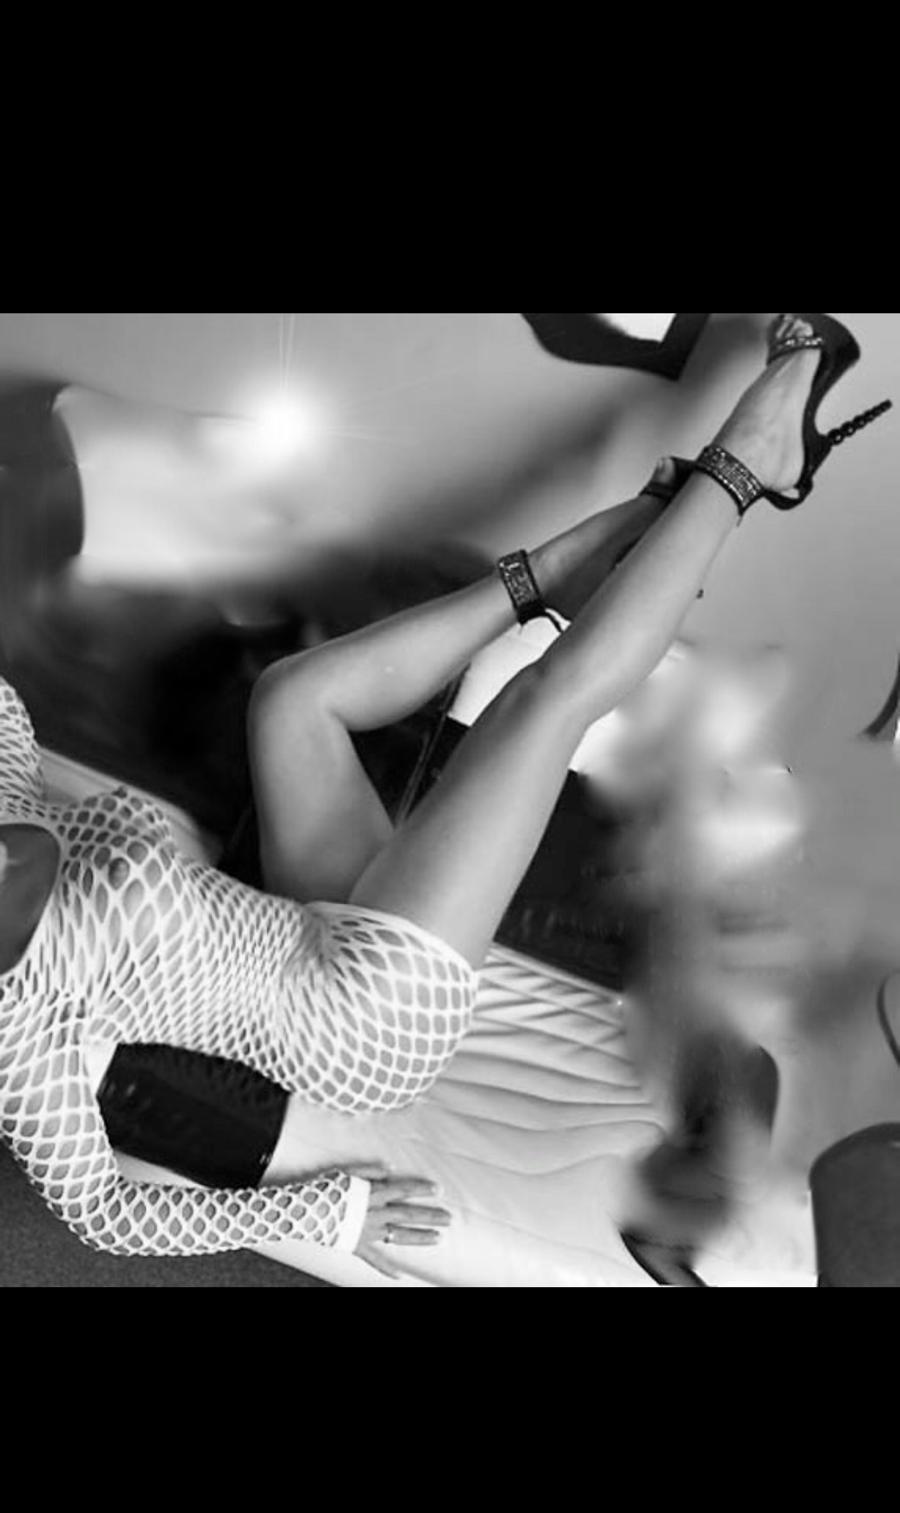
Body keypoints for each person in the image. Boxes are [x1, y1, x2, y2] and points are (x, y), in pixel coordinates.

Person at [0, 315, 889, 1276]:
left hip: (295, 924)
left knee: (293, 701)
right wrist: (333, 1216)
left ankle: (597, 553)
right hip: (360, 1020)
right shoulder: (13, 1036)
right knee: (543, 704)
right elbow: (100, 1215)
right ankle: (751, 461)